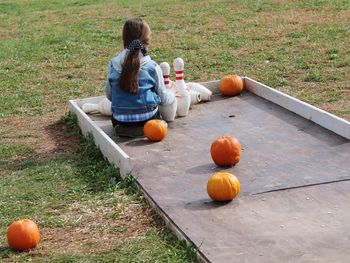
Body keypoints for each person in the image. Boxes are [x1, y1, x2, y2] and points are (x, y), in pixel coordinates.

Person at [105, 18, 175, 137]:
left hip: (120, 121)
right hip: (149, 120)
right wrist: (172, 92)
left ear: (124, 40)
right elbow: (163, 98)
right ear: (147, 41)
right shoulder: (152, 67)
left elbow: (109, 95)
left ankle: (126, 128)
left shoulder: (113, 64)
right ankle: (148, 127)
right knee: (167, 101)